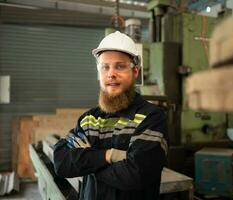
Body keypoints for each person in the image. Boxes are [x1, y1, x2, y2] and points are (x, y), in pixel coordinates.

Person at [53, 31, 168, 200]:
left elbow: (136, 175)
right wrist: (109, 155)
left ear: (135, 71)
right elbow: (61, 162)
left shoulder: (151, 117)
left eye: (120, 66)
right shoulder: (90, 119)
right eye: (105, 67)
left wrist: (89, 160)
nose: (111, 73)